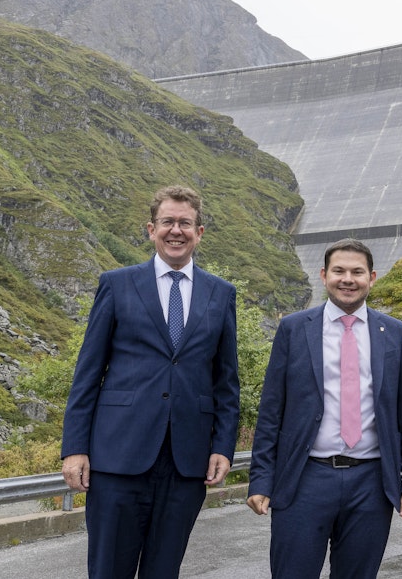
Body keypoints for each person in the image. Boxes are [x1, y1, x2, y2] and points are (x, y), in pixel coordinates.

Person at [60, 185, 239, 579]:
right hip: (117, 457)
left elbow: (226, 382)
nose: (176, 230)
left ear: (199, 232)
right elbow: (87, 373)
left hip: (186, 463)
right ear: (151, 229)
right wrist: (74, 448)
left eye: (185, 223)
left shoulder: (221, 294)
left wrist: (223, 446)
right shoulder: (117, 284)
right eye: (167, 222)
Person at [247, 238, 402, 578]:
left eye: (357, 272)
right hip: (304, 479)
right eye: (339, 271)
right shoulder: (294, 329)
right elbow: (271, 410)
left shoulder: (393, 332)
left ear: (371, 277)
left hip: (371, 484)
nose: (348, 279)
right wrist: (260, 479)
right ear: (324, 275)